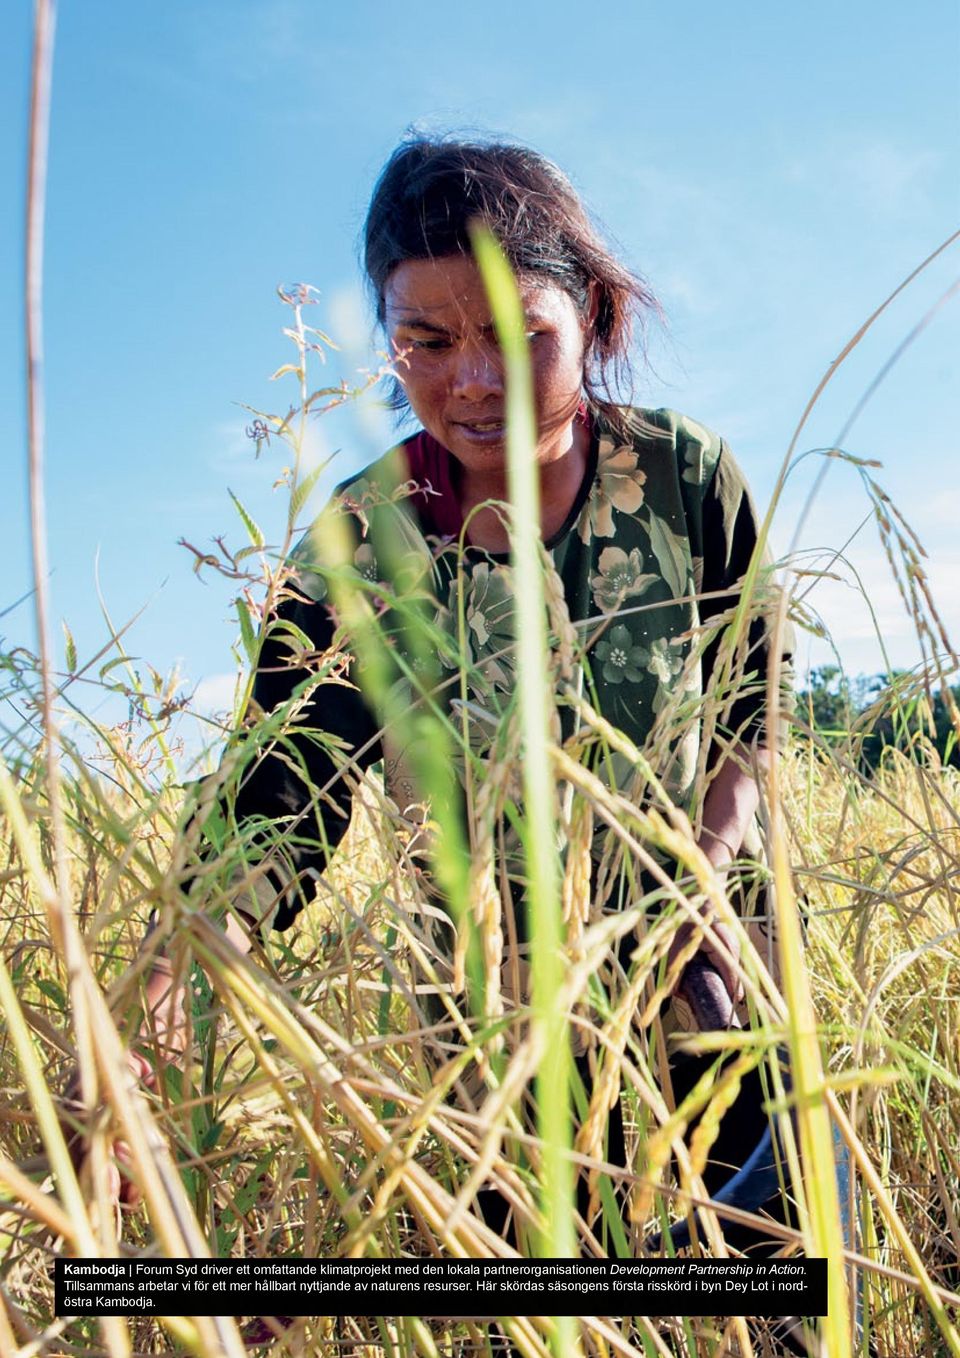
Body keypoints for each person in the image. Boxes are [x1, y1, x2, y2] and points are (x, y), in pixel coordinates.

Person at [100, 138, 793, 1242]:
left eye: (520, 335)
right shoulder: (362, 539)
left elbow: (752, 699)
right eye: (426, 341)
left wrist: (702, 873)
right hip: (494, 1026)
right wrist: (173, 987)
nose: (473, 378)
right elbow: (282, 789)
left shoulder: (685, 478)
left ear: (596, 317)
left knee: (754, 1268)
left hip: (706, 985)